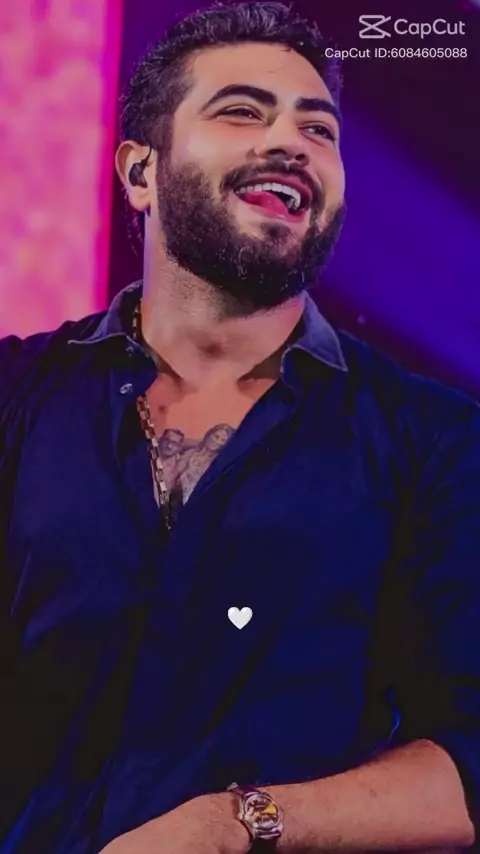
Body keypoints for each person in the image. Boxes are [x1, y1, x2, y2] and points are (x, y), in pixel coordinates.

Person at [0, 1, 479, 852]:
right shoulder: (14, 394)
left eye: (319, 128)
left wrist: (234, 827)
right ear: (140, 172)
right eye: (242, 111)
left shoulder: (434, 441)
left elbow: (469, 765)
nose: (292, 142)